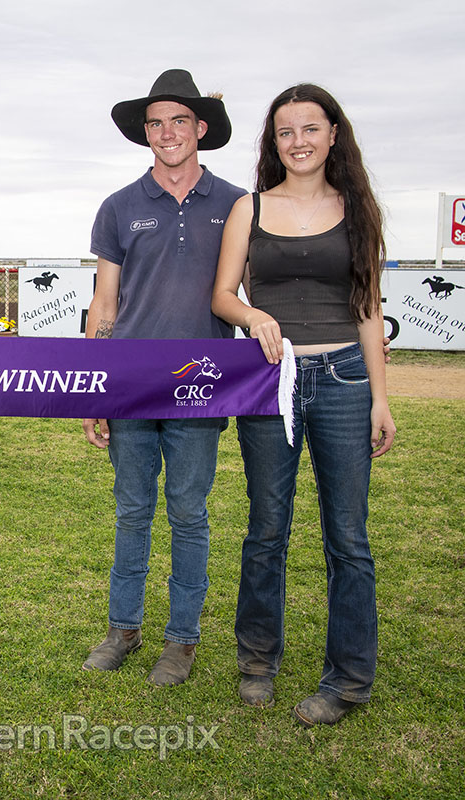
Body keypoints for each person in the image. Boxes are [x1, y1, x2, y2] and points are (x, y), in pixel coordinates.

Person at [211, 84, 395, 726]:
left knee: (348, 537)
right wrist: (254, 313)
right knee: (267, 528)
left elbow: (369, 309)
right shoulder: (249, 209)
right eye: (286, 132)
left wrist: (379, 398)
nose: (299, 142)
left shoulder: (359, 210)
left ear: (334, 134)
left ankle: (348, 680)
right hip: (271, 380)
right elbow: (223, 295)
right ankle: (257, 659)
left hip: (345, 380)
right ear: (274, 142)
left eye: (311, 129)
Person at [81, 70, 246, 686]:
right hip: (130, 386)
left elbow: (252, 289)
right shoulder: (119, 207)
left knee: (188, 511)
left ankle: (182, 640)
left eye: (179, 120)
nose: (167, 133)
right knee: (131, 510)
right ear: (144, 133)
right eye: (155, 123)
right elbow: (104, 305)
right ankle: (123, 628)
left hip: (201, 386)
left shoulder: (234, 203)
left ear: (201, 129)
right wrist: (97, 388)